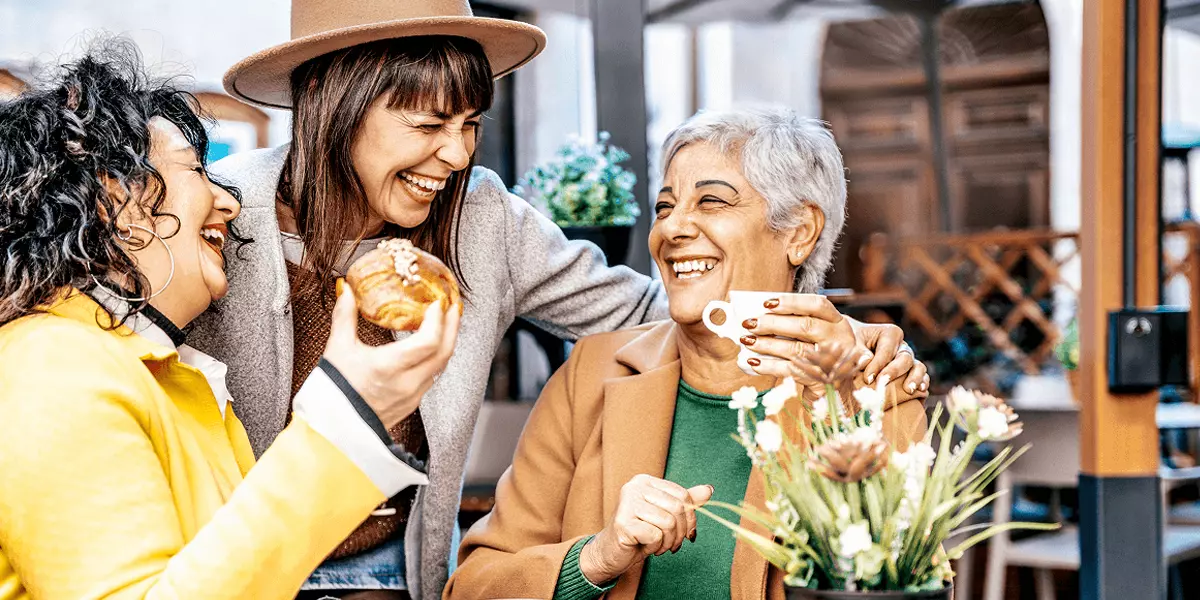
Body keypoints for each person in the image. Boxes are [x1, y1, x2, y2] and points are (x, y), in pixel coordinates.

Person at [199, 2, 929, 597]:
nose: (456, 155)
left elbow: (664, 311)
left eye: (469, 126)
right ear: (337, 105)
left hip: (390, 570)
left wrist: (843, 338)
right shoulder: (223, 215)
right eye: (428, 126)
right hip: (232, 552)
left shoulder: (481, 218)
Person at [0, 46, 458, 600]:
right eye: (196, 170)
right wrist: (349, 416)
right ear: (115, 199)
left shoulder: (166, 375)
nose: (229, 203)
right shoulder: (50, 369)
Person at [444, 107, 930, 600]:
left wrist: (836, 406)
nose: (672, 228)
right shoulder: (588, 375)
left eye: (712, 202)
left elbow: (906, 583)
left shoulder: (874, 389)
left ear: (799, 232)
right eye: (664, 206)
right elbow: (474, 588)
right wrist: (595, 559)